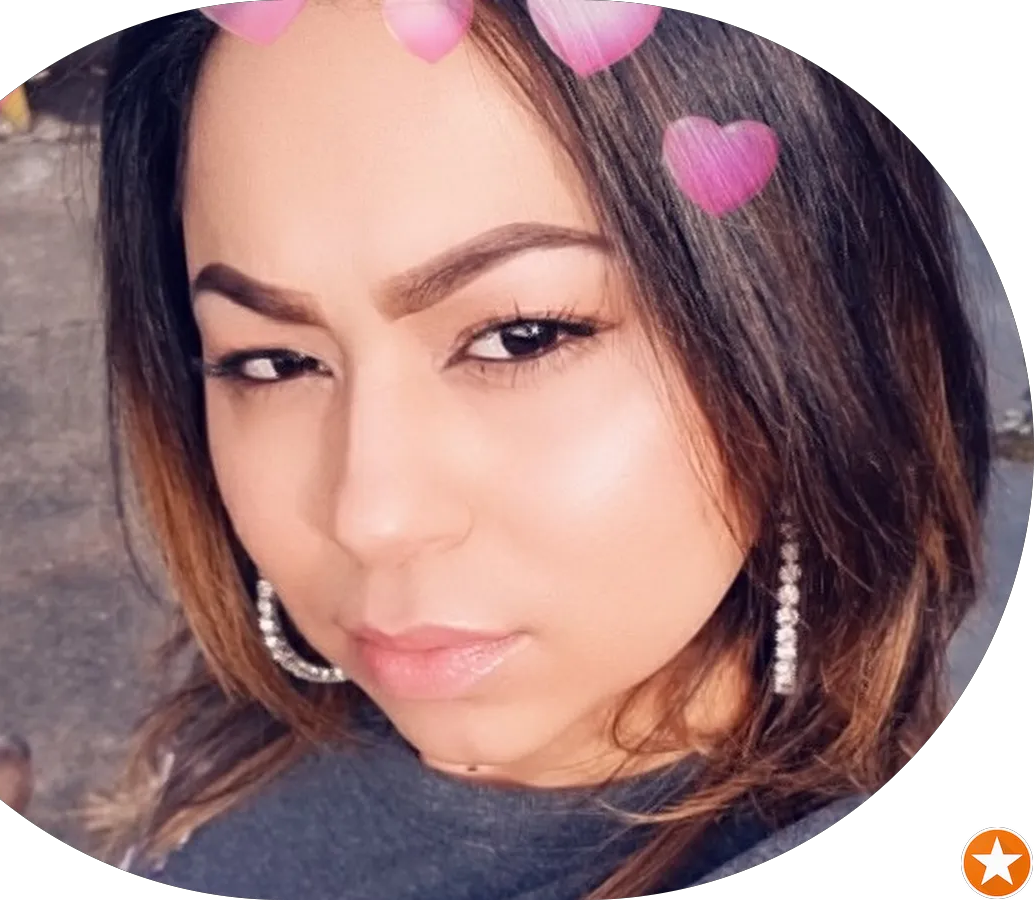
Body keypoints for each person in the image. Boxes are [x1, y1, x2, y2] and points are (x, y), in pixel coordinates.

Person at [82, 3, 992, 897]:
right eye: (273, 362)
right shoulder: (235, 733)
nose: (371, 518)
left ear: (805, 348)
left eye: (523, 337)